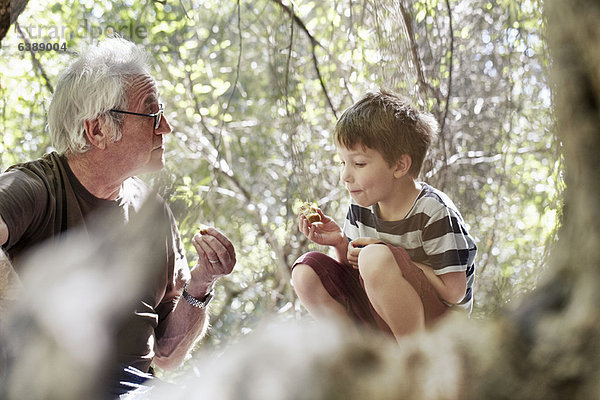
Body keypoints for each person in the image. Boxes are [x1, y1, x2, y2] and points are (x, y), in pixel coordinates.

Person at [0, 38, 236, 396]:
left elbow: (167, 354)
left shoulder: (153, 212)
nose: (166, 127)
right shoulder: (34, 187)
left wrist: (202, 282)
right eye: (152, 114)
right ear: (97, 130)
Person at [291, 90, 476, 343]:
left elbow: (454, 292)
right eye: (342, 162)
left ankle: (414, 362)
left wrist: (391, 255)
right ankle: (360, 357)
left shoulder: (433, 211)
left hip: (437, 330)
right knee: (305, 271)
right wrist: (339, 243)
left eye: (358, 164)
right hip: (383, 317)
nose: (345, 176)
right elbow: (359, 270)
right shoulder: (360, 206)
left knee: (376, 256)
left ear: (399, 166)